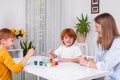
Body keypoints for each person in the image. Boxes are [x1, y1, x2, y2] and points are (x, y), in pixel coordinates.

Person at [77, 13, 120, 80]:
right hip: (100, 77)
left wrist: (87, 63)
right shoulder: (101, 41)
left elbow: (106, 66)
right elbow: (98, 61)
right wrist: (88, 60)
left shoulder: (118, 43)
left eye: (97, 27)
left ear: (105, 27)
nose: (96, 30)